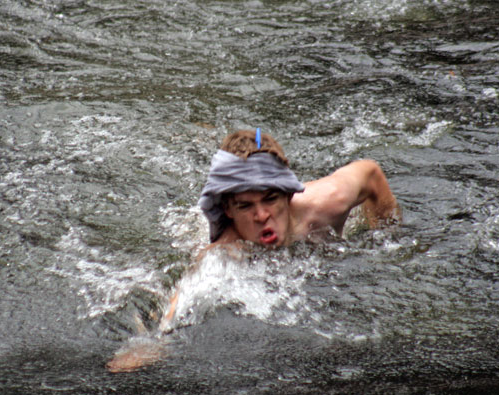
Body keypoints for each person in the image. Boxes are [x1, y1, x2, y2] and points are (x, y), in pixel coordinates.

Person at [107, 129, 400, 372]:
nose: (261, 216)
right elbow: (180, 302)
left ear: (288, 194)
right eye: (245, 206)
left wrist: (386, 236)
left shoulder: (326, 202)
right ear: (228, 210)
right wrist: (152, 344)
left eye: (270, 199)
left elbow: (370, 172)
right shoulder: (226, 252)